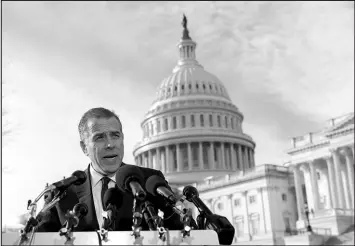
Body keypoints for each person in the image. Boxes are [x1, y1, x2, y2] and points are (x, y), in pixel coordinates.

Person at [37, 107, 183, 232]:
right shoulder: (62, 194)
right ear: (84, 148)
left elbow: (181, 231)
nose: (110, 144)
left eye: (115, 135)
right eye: (99, 137)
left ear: (122, 139)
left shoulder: (150, 182)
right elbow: (38, 240)